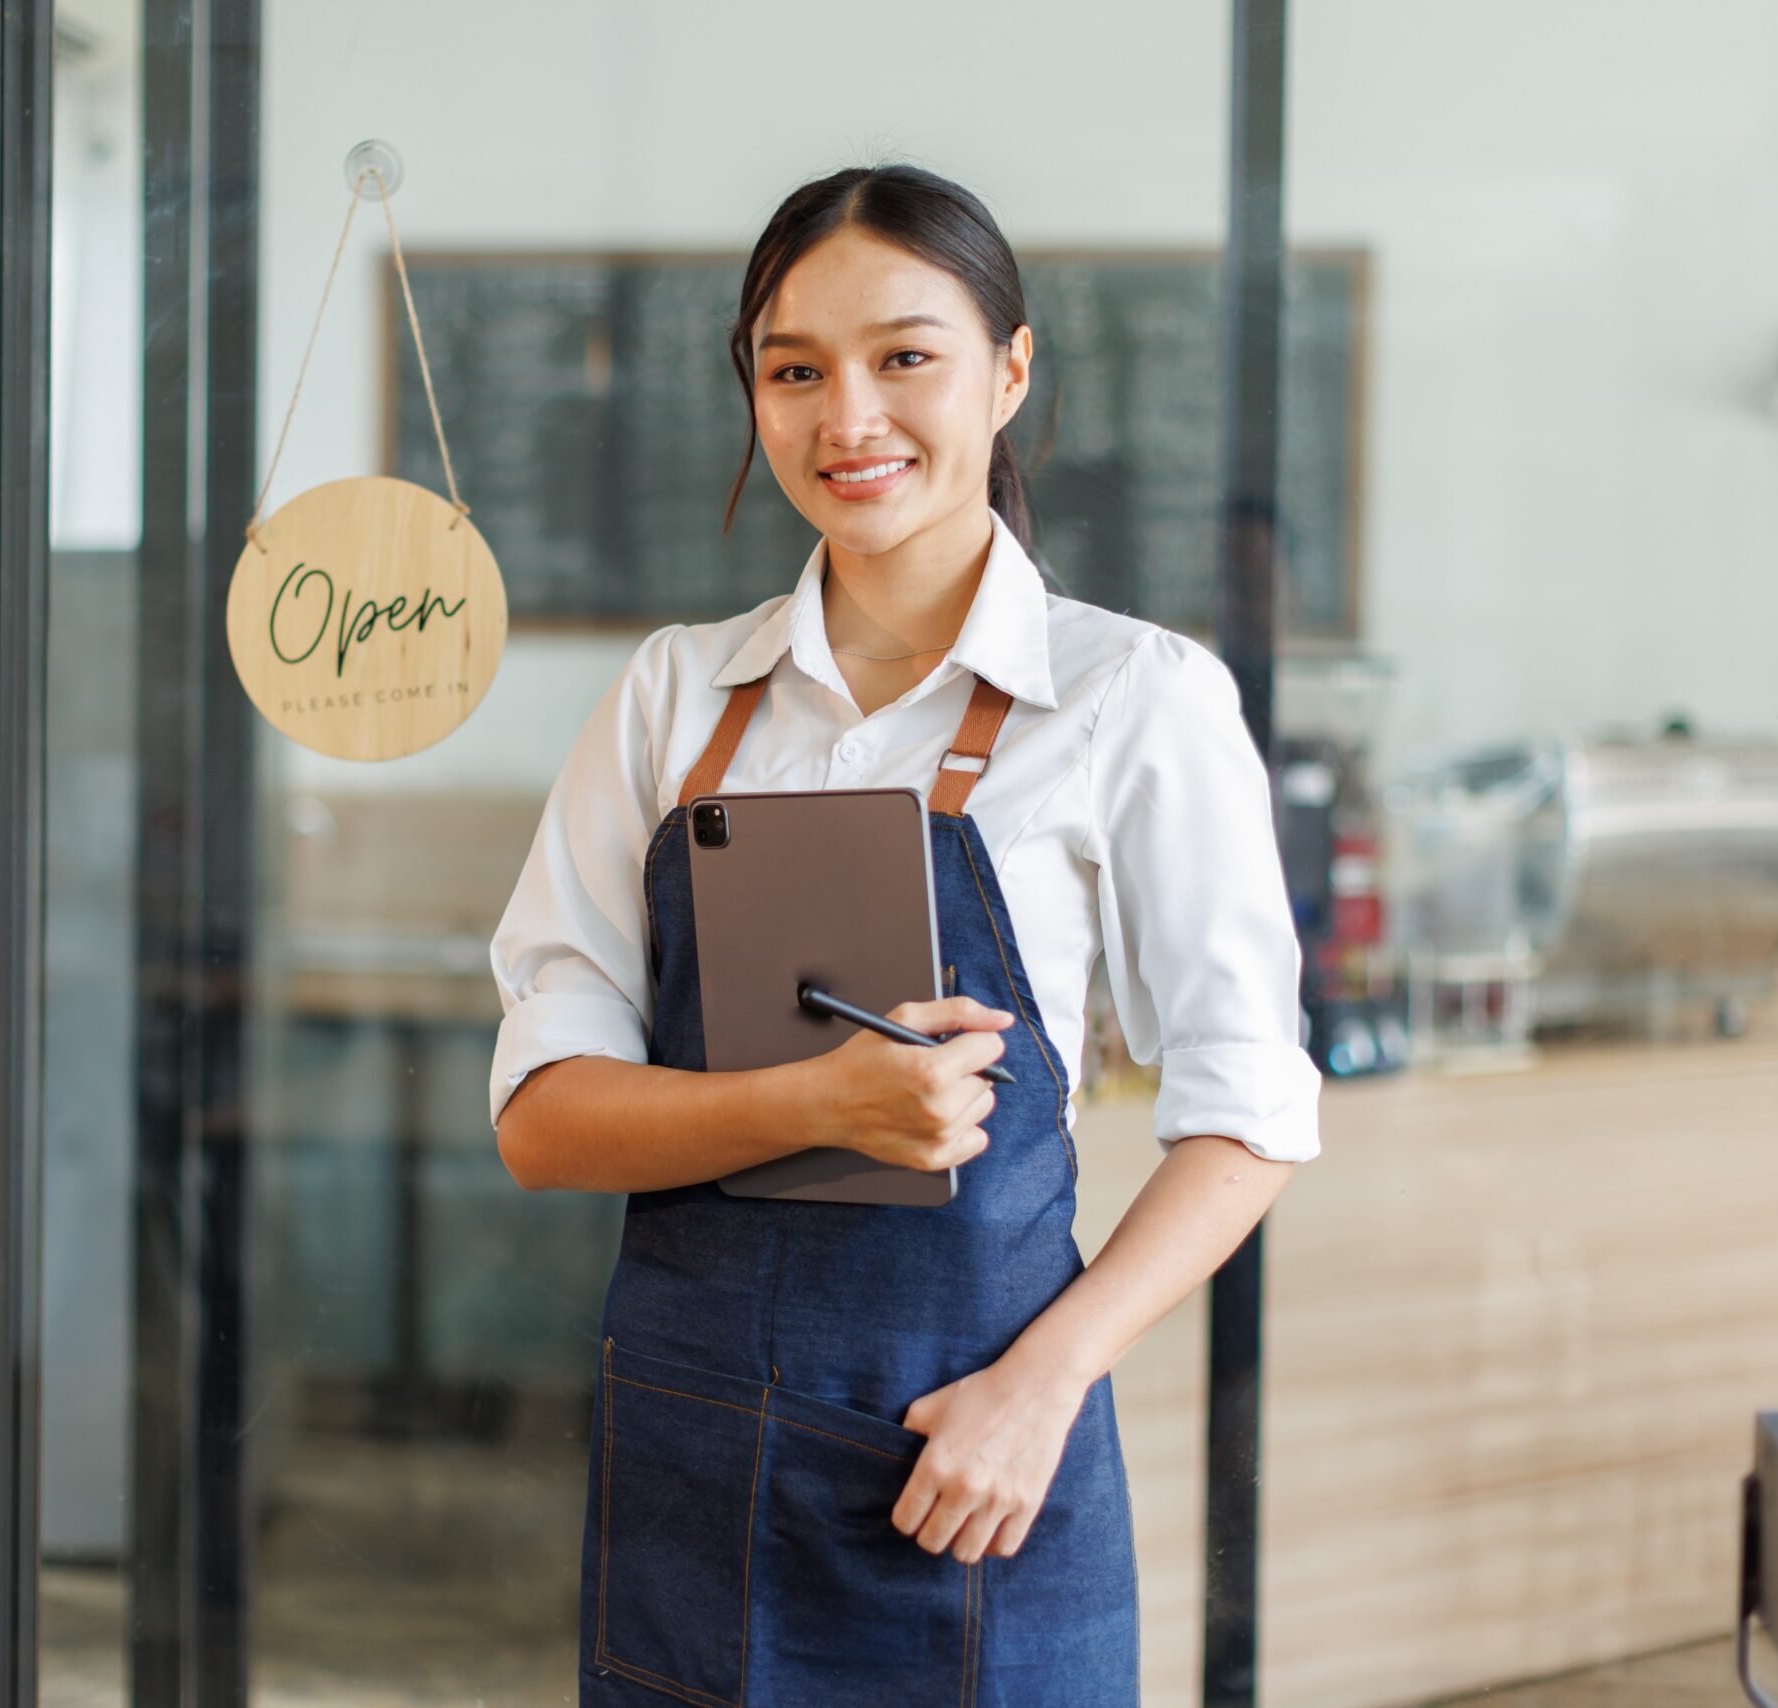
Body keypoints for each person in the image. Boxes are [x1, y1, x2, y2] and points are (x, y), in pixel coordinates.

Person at [487, 163, 1322, 1708]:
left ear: (1010, 370)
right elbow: (542, 1121)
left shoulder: (1135, 699)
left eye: (906, 357)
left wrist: (1043, 1384)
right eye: (794, 371)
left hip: (974, 1467)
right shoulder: (678, 697)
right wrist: (820, 1105)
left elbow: (1251, 1114)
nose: (846, 416)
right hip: (690, 1461)